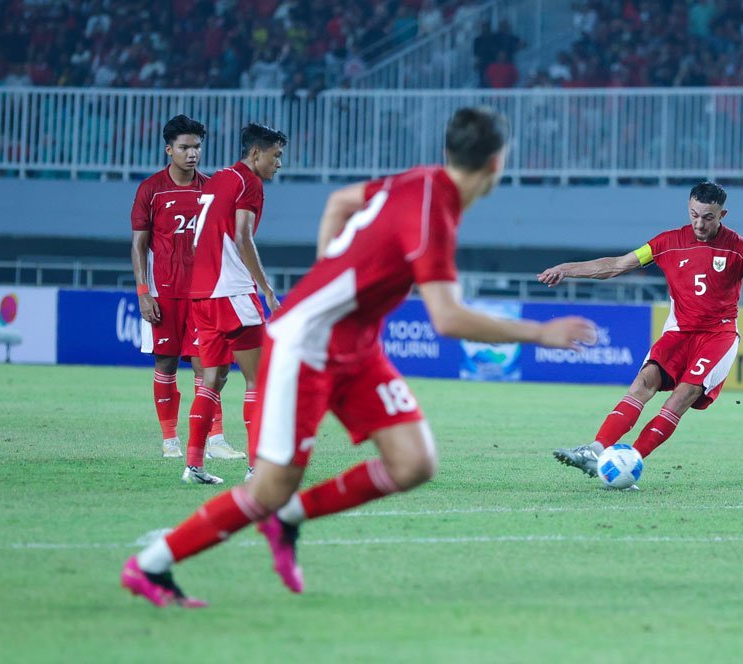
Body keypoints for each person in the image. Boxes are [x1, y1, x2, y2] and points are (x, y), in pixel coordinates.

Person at [121, 107, 597, 607]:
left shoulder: (421, 181)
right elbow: (449, 319)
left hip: (355, 346)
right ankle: (151, 566)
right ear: (498, 164)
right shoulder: (433, 215)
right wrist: (541, 333)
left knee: (413, 463)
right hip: (304, 348)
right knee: (267, 491)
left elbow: (341, 200)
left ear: (448, 154)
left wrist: (334, 268)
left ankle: (290, 518)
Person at [538, 182, 743, 485]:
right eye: (694, 214)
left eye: (708, 217)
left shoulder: (739, 248)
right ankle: (595, 450)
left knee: (682, 396)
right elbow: (616, 265)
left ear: (723, 214)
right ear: (688, 207)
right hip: (679, 332)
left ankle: (630, 460)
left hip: (717, 337)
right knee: (644, 383)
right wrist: (567, 268)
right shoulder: (666, 242)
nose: (699, 223)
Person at [130, 115, 242, 462]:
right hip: (164, 293)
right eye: (184, 147)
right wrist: (143, 292)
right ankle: (169, 440)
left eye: (196, 147)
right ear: (169, 149)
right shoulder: (151, 189)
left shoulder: (210, 191)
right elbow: (138, 245)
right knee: (165, 365)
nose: (192, 153)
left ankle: (216, 439)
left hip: (204, 294)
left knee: (207, 366)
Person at [180, 122, 286, 485]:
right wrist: (267, 290)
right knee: (260, 379)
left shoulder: (218, 179)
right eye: (276, 155)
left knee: (213, 378)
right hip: (233, 292)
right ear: (255, 153)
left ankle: (193, 465)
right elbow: (241, 236)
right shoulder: (249, 183)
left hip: (202, 294)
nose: (279, 163)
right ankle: (258, 467)